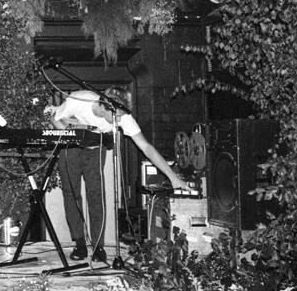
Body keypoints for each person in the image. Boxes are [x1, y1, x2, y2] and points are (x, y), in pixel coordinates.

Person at [46, 89, 191, 262]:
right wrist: (77, 138)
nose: (120, 121)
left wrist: (172, 177)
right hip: (71, 144)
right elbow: (54, 119)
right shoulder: (79, 100)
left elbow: (146, 147)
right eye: (116, 116)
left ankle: (98, 245)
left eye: (122, 115)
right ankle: (80, 243)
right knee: (71, 193)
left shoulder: (124, 117)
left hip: (96, 147)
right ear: (104, 107)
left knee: (96, 194)